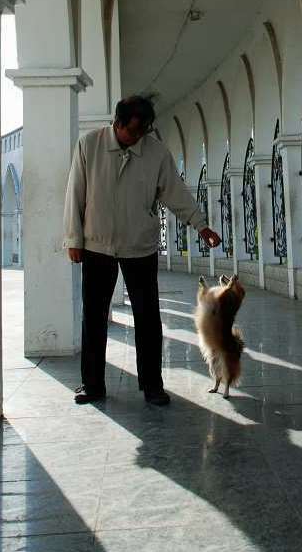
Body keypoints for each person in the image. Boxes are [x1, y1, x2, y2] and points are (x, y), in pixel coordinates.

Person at [63, 95, 222, 406]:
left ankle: (152, 385)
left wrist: (201, 225)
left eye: (144, 131)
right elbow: (75, 192)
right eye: (133, 130)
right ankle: (92, 385)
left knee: (147, 317)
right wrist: (73, 239)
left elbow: (175, 192)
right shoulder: (89, 145)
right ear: (117, 123)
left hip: (139, 245)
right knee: (93, 317)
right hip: (97, 244)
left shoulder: (156, 153)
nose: (139, 137)